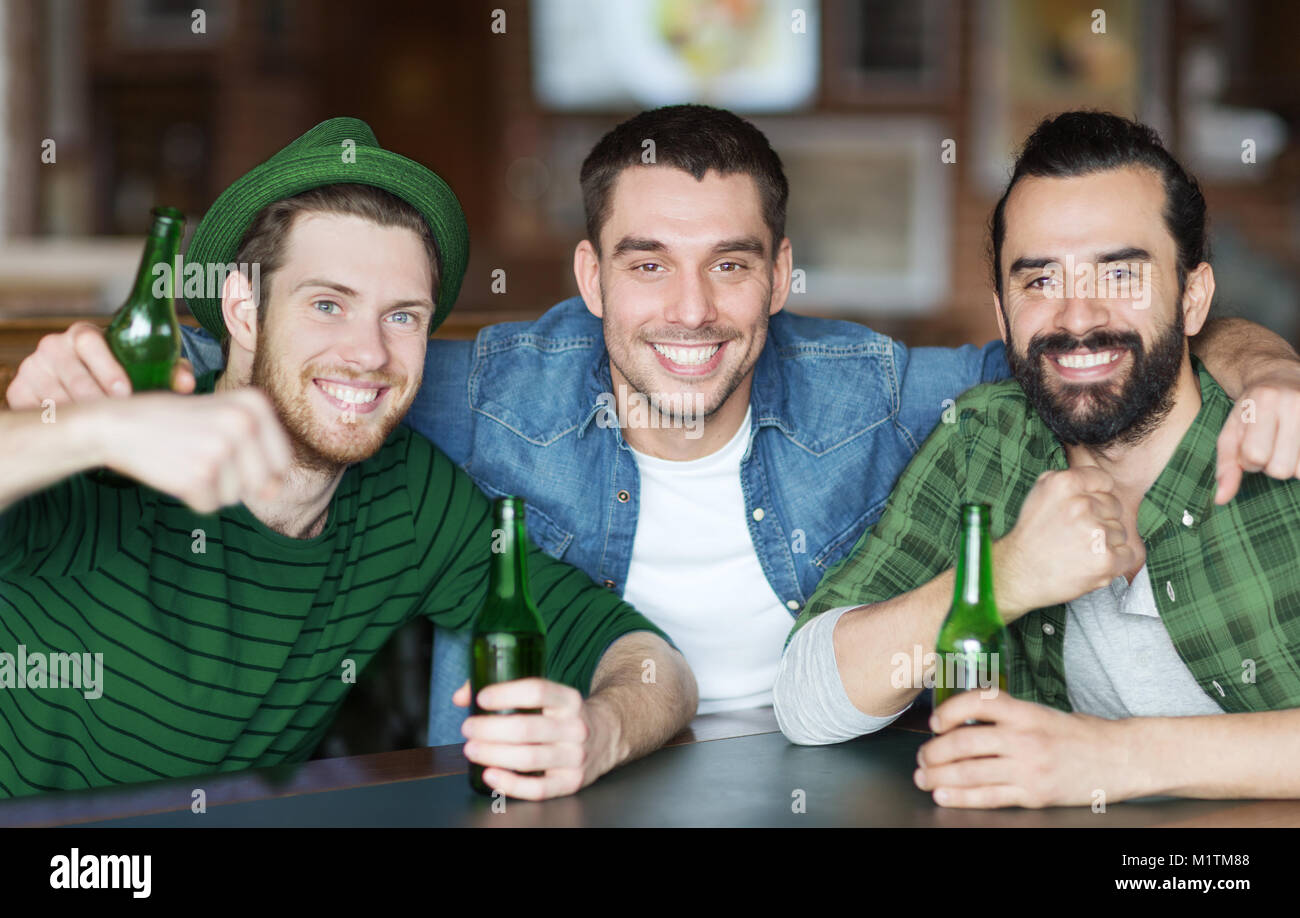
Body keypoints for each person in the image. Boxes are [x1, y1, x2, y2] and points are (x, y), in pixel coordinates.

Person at [10, 106, 1300, 746]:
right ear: (584, 278)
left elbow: (1082, 360)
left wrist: (1261, 360)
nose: (690, 309)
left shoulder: (883, 389)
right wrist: (81, 391)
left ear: (783, 276)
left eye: (732, 266)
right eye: (645, 265)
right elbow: (301, 364)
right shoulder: (461, 387)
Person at [0, 117, 696, 801]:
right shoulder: (113, 452)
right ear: (243, 307)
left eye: (402, 317)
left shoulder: (410, 496)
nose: (369, 355)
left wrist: (599, 731)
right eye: (328, 304)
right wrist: (83, 432)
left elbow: (648, 660)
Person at [773, 111, 1300, 809]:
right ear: (1002, 313)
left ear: (1193, 296)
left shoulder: (1282, 437)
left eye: (1119, 274)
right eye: (1039, 281)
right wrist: (1005, 576)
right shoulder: (984, 439)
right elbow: (807, 700)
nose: (1077, 318)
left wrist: (1110, 758)